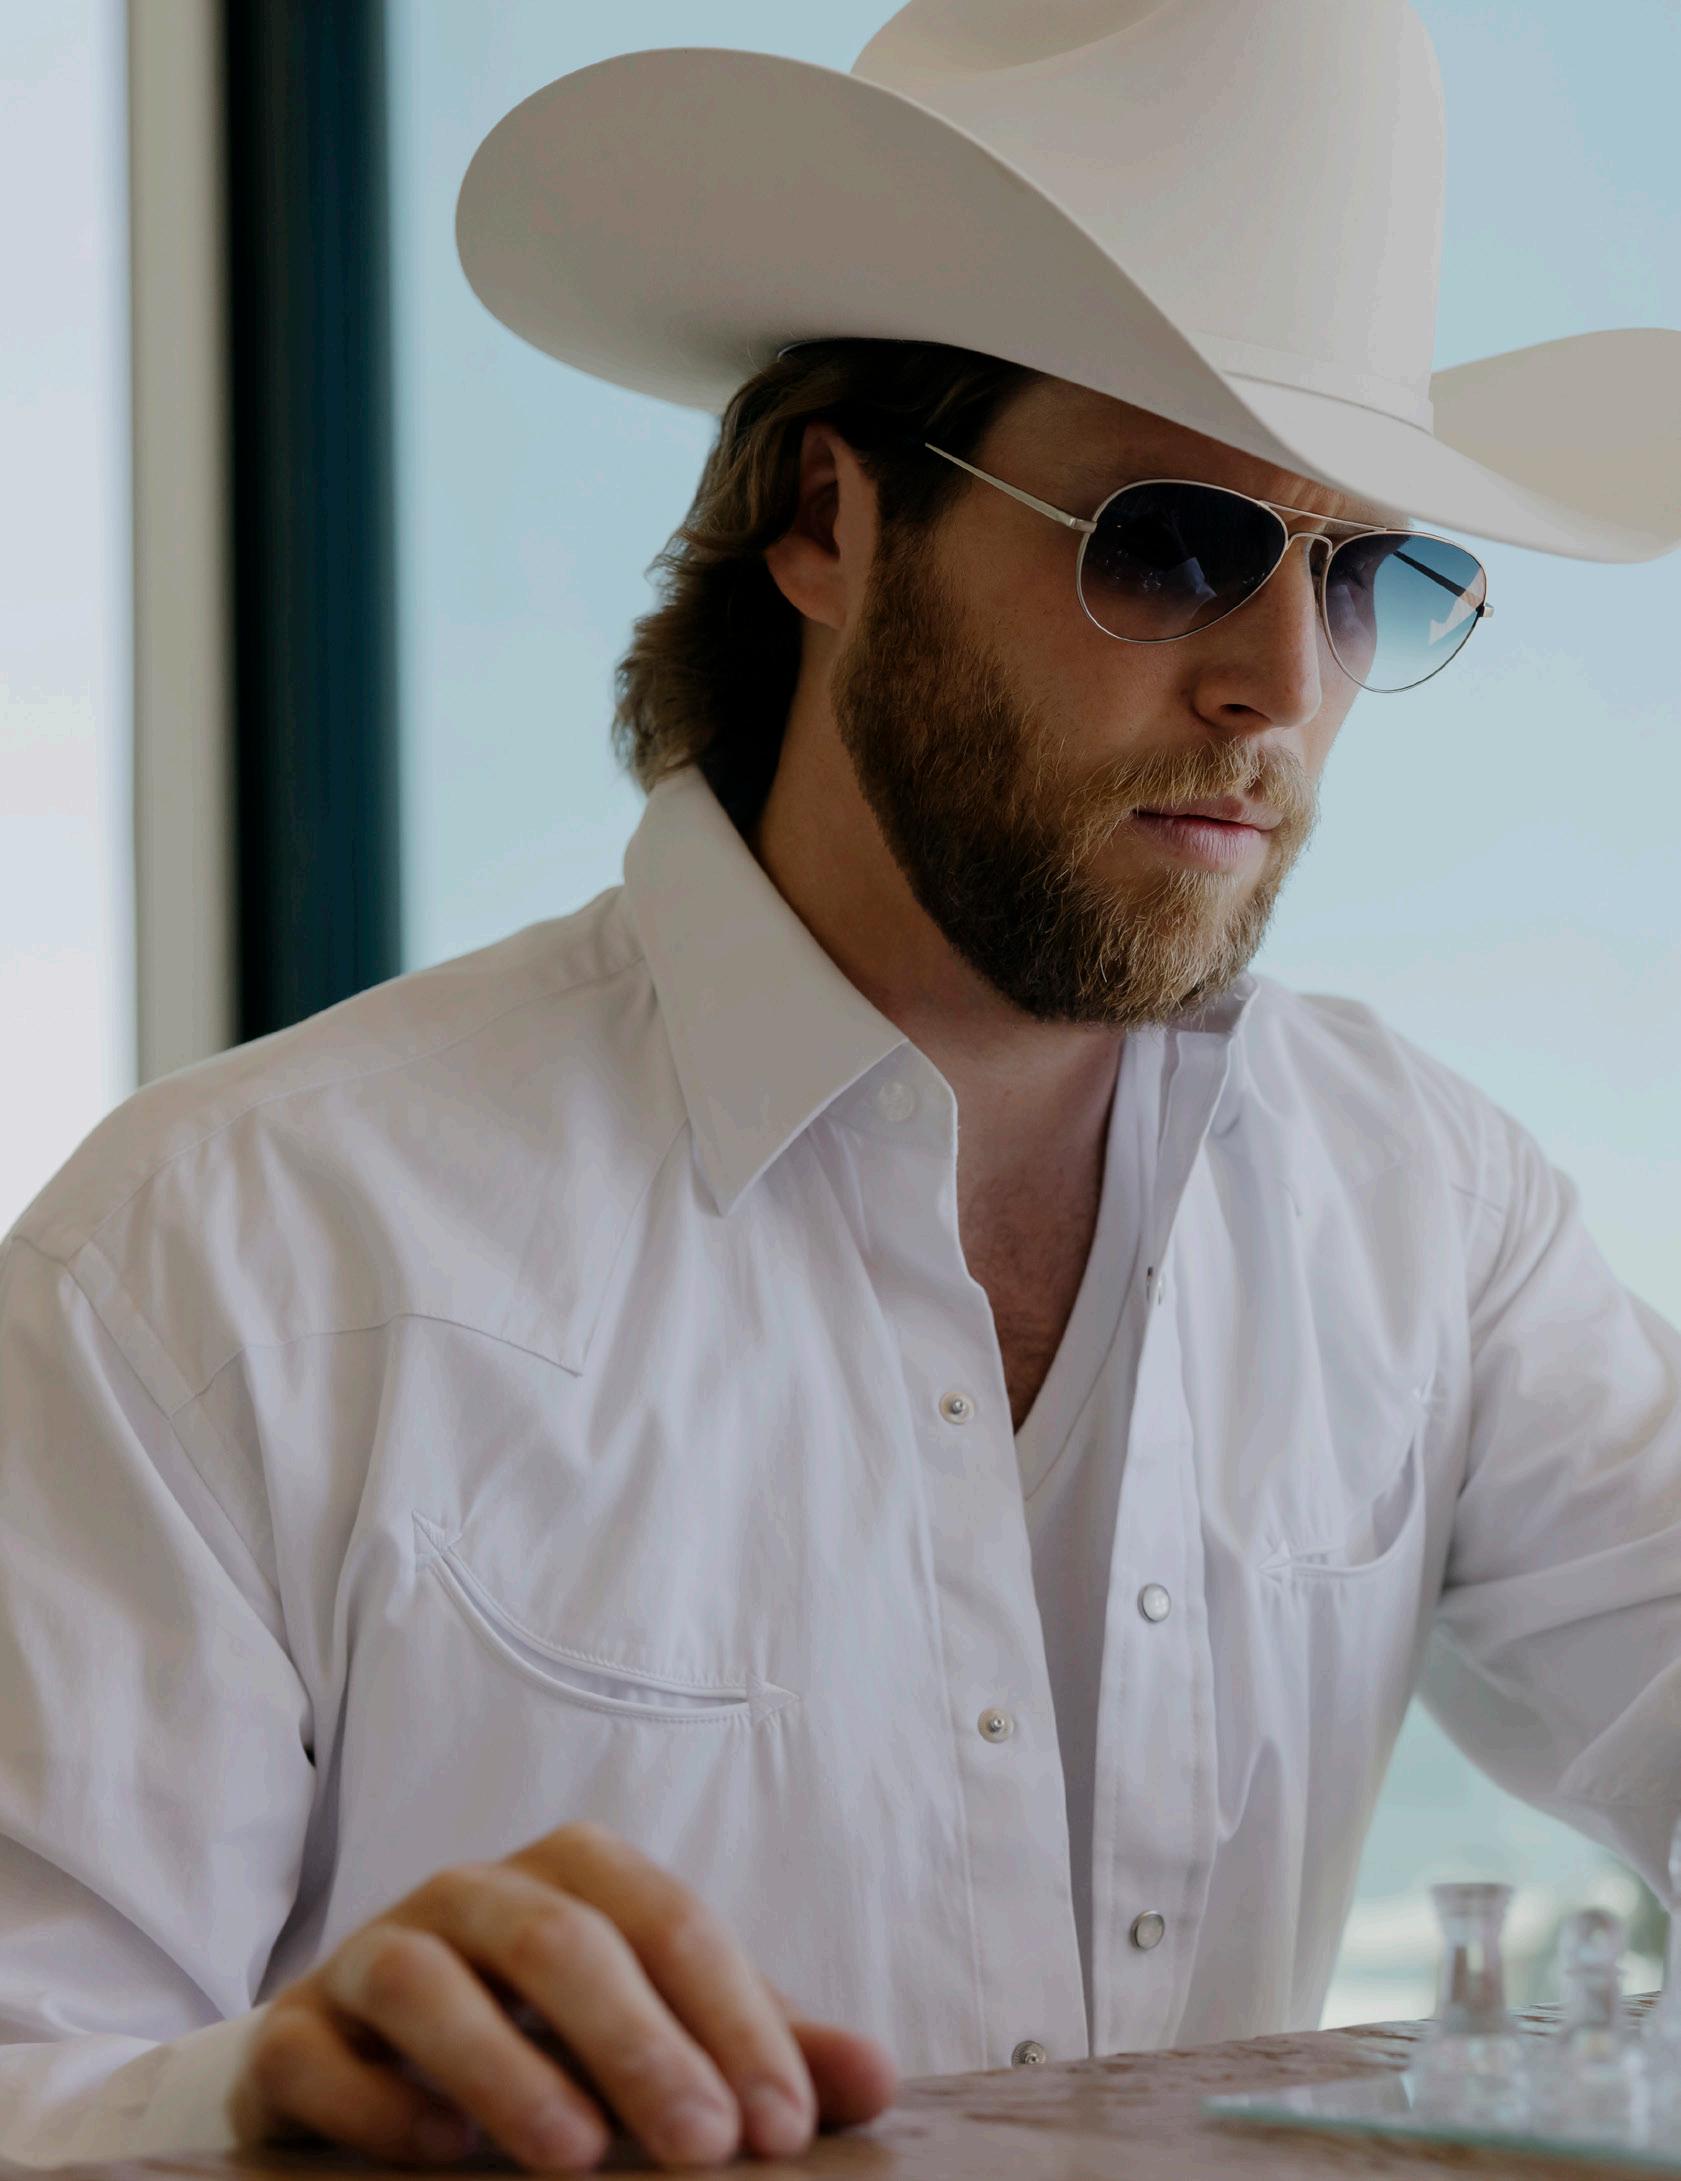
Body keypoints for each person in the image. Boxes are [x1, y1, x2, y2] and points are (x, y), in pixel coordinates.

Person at [3, 1, 1679, 2173]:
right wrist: (259, 2101)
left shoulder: (1430, 1217)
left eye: (1365, 573)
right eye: (1170, 539)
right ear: (828, 515)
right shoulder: (222, 1260)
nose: (1278, 681)